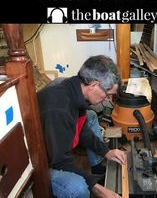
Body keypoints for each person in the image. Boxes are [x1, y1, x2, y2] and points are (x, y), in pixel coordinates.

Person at [37, 55, 126, 198]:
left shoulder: (73, 89)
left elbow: (82, 129)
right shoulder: (59, 109)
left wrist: (106, 151)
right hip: (41, 165)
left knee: (90, 116)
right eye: (108, 95)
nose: (107, 99)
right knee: (78, 188)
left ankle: (97, 169)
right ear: (94, 85)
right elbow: (60, 160)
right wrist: (96, 188)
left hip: (56, 148)